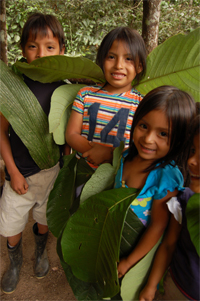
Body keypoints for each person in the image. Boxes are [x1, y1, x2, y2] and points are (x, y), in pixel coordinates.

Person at [0, 12, 67, 294]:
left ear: (62, 51)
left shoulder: (67, 89)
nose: (41, 54)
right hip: (20, 176)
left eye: (50, 47)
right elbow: (1, 131)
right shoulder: (14, 87)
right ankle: (15, 261)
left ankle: (40, 252)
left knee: (44, 220)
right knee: (11, 226)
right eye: (32, 46)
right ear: (22, 50)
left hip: (52, 174)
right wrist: (12, 172)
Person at [114, 86, 196, 280]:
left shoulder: (166, 178)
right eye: (143, 126)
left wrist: (128, 262)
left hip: (136, 258)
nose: (148, 139)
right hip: (113, 242)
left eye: (163, 134)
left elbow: (157, 228)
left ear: (180, 139)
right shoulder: (125, 156)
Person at [65, 27, 146, 170]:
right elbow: (71, 134)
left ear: (139, 66)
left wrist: (109, 155)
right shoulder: (85, 94)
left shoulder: (142, 104)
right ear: (102, 60)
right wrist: (96, 151)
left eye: (128, 59)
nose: (118, 65)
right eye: (111, 57)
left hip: (118, 177)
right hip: (81, 173)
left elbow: (139, 147)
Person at [139, 113, 200, 301]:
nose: (192, 161)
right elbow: (168, 245)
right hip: (176, 287)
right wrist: (151, 286)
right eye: (192, 150)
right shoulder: (183, 200)